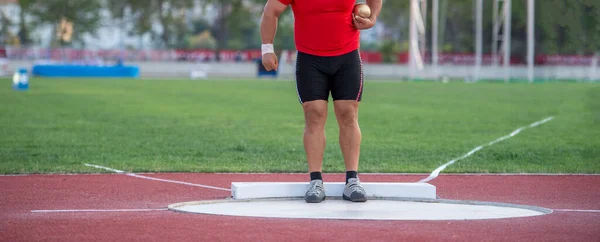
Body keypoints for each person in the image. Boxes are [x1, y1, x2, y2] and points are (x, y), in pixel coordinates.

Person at [260, 0, 381, 203]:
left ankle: (352, 180)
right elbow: (270, 11)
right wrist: (267, 49)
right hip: (310, 58)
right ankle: (315, 181)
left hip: (347, 55)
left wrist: (373, 18)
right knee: (314, 114)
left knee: (347, 113)